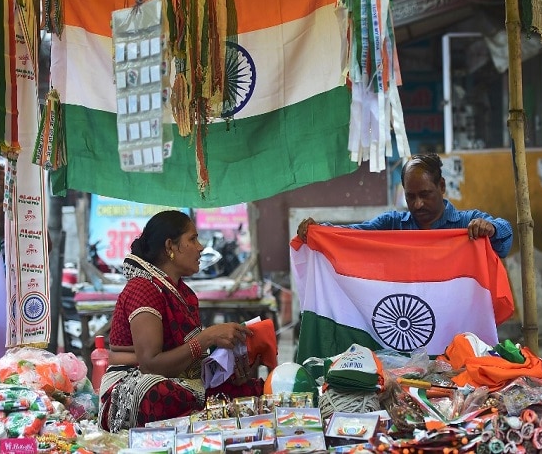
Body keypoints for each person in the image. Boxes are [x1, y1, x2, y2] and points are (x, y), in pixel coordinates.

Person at [98, 210, 260, 432]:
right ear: (170, 247)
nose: (201, 247)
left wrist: (229, 365)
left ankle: (203, 416)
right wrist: (207, 337)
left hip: (182, 381)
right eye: (192, 239)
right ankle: (202, 417)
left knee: (249, 390)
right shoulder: (144, 288)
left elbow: (189, 358)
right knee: (156, 394)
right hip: (136, 383)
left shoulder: (183, 292)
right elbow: (150, 364)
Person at [297, 153, 513, 258]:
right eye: (410, 197)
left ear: (442, 186)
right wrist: (320, 231)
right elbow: (353, 236)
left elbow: (505, 239)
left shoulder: (466, 224)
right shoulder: (391, 224)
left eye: (425, 194)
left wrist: (490, 228)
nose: (418, 204)